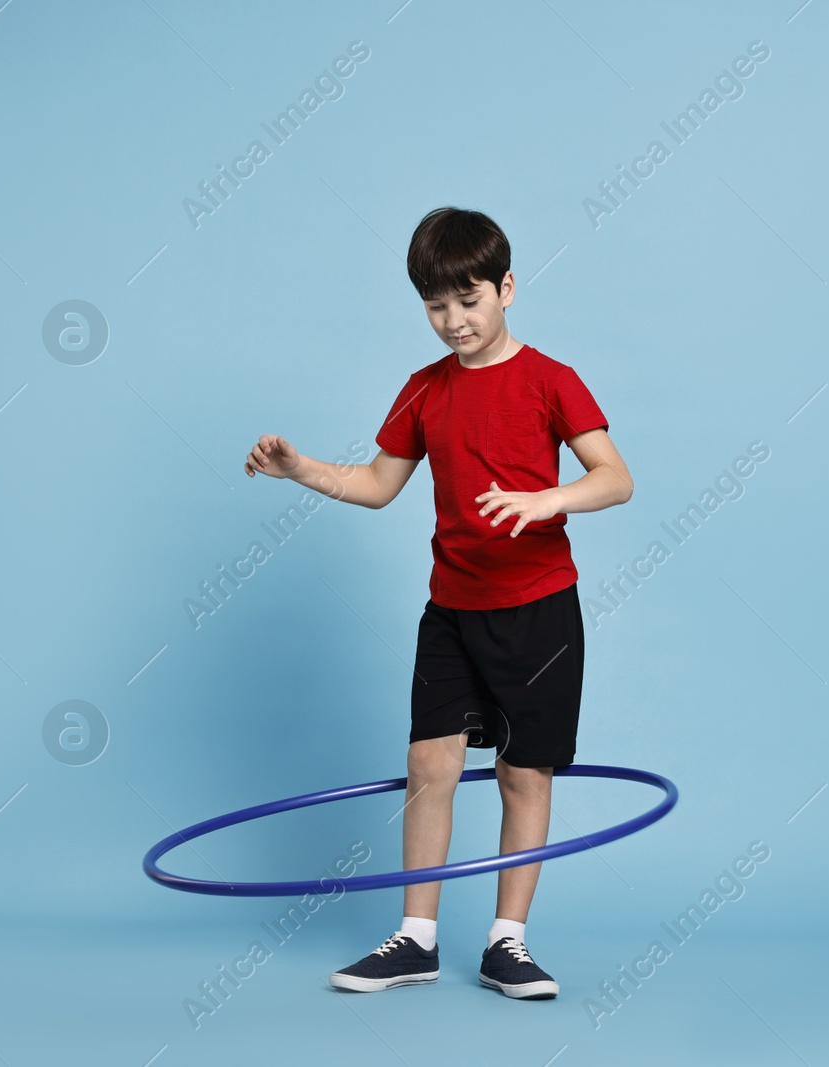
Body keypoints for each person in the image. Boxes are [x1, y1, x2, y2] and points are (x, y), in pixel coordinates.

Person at [243, 206, 633, 1000]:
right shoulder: (423, 390)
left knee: (524, 774)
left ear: (508, 288)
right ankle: (415, 937)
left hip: (538, 613)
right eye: (435, 306)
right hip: (452, 610)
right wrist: (301, 469)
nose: (453, 321)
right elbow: (379, 486)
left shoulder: (551, 380)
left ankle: (508, 944)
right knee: (429, 764)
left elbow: (615, 478)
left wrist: (544, 501)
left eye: (469, 299)